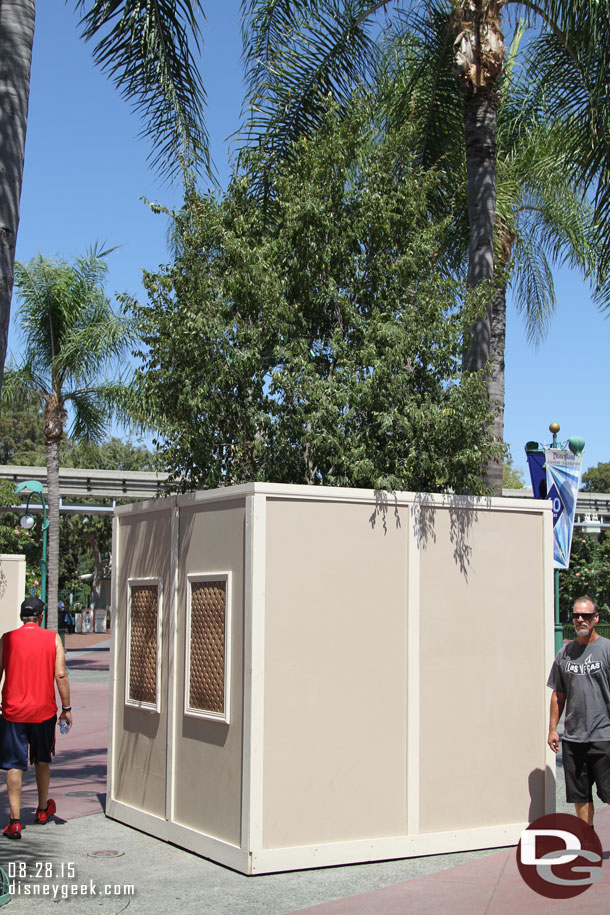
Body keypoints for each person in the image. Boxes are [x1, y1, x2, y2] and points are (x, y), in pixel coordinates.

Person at [0, 597, 72, 839]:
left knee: (13, 765)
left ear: (22, 616)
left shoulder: (7, 639)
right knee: (42, 760)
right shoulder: (52, 638)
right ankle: (42, 810)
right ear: (40, 616)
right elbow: (60, 675)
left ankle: (15, 821)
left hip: (13, 713)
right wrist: (67, 707)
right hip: (43, 712)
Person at [547, 595, 610, 825]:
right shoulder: (564, 654)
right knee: (580, 797)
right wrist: (553, 729)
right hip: (573, 739)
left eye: (585, 615)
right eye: (576, 615)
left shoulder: (607, 649)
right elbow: (558, 695)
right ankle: (589, 846)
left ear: (596, 618)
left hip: (604, 737)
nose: (580, 619)